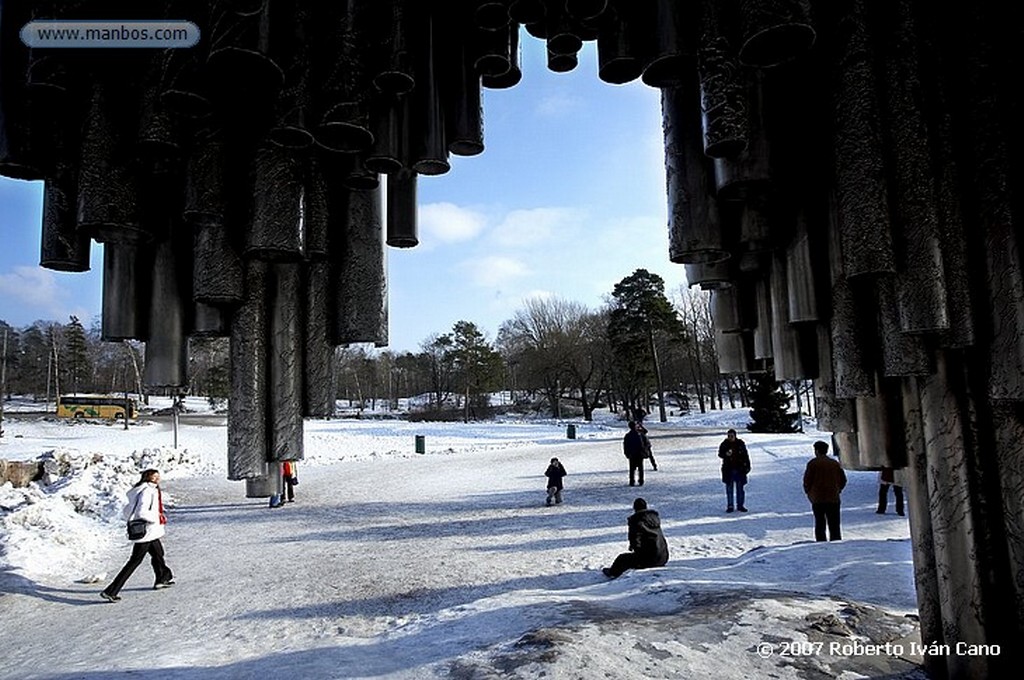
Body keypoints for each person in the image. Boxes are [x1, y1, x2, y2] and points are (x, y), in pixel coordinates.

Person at [101, 469, 174, 602]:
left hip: (150, 531)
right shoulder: (147, 491)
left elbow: (128, 509)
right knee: (135, 561)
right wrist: (155, 518)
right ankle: (111, 591)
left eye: (158, 476)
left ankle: (162, 578)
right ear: (147, 478)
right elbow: (141, 512)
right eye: (154, 477)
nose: (157, 479)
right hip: (147, 530)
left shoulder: (142, 489)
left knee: (158, 554)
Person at [602, 498, 670, 578]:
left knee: (622, 558)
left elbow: (635, 539)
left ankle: (612, 573)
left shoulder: (636, 520)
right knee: (630, 558)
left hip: (651, 560)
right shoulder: (654, 519)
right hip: (663, 557)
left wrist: (636, 551)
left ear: (634, 508)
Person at [803, 440, 848, 541]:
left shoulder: (813, 463)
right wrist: (838, 489)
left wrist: (809, 492)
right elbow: (843, 479)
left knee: (820, 522)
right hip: (833, 497)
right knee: (834, 523)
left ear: (817, 451)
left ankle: (821, 541)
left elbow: (807, 480)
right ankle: (836, 540)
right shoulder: (834, 463)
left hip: (818, 498)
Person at [718, 428, 750, 512]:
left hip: (740, 469)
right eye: (729, 436)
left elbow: (746, 456)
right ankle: (730, 506)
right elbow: (720, 454)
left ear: (735, 436)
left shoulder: (740, 444)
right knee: (729, 489)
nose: (730, 437)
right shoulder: (724, 444)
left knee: (740, 489)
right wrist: (726, 454)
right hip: (728, 470)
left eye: (731, 436)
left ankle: (740, 505)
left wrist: (747, 466)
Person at [623, 420, 647, 486]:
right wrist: (644, 451)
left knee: (632, 468)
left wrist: (627, 453)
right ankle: (641, 480)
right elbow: (645, 443)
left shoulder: (628, 435)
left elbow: (625, 445)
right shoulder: (640, 434)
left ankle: (632, 481)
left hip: (632, 454)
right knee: (640, 468)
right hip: (639, 453)